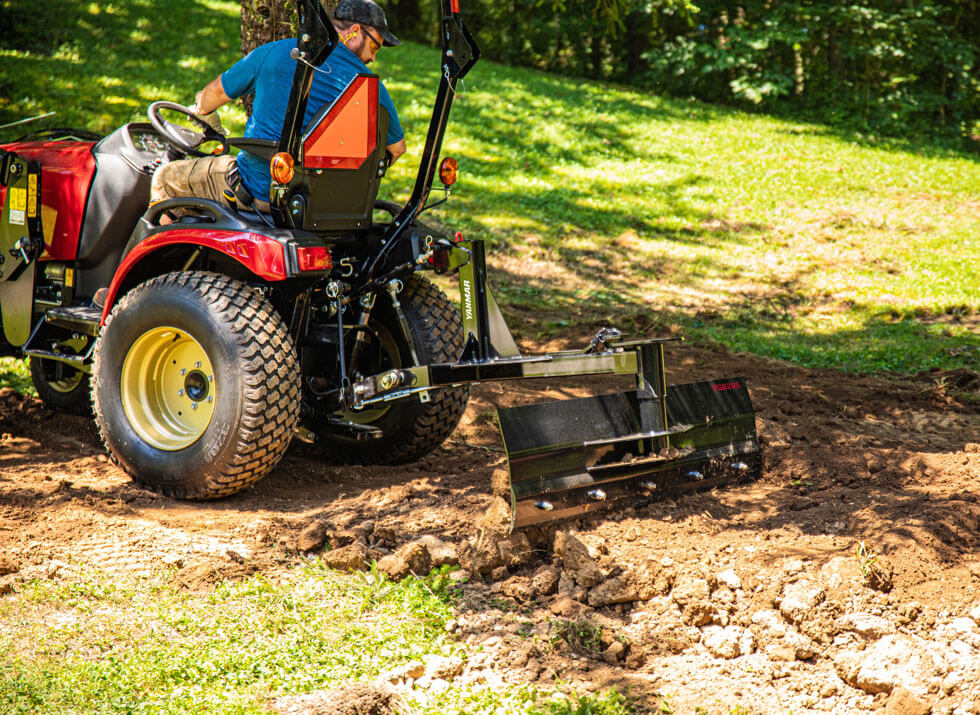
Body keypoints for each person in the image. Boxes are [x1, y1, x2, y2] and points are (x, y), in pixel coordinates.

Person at [149, 0, 406, 214]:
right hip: (321, 209)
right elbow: (397, 149)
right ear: (354, 31)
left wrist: (204, 113)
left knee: (165, 179)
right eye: (374, 46)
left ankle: (164, 274)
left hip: (259, 193)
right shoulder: (371, 89)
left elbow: (210, 96)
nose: (373, 57)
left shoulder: (275, 52)